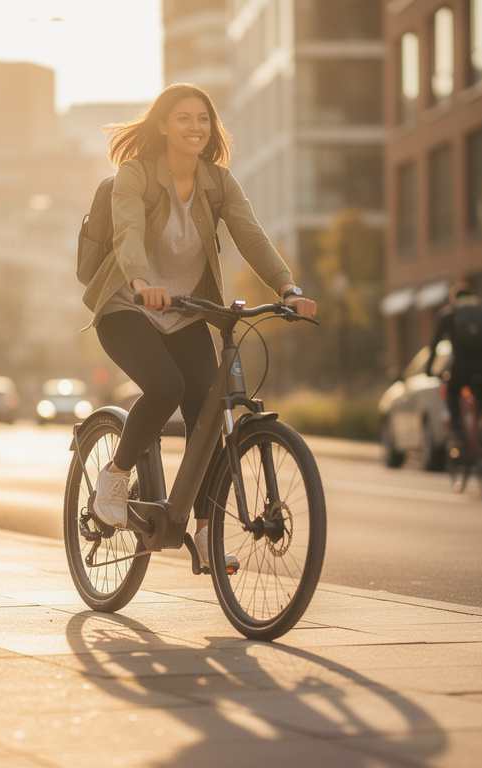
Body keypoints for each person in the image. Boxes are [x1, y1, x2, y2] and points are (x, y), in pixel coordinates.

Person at [80, 83, 316, 572]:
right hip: (128, 306)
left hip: (186, 311)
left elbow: (251, 235)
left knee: (208, 416)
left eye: (204, 119)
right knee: (165, 386)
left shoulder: (218, 182)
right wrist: (142, 280)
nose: (196, 127)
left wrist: (287, 289)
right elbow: (127, 229)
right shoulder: (136, 176)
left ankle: (207, 534)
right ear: (163, 125)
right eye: (184, 118)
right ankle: (115, 476)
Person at [425, 282, 482, 454]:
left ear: (455, 299)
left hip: (463, 367)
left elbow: (434, 344)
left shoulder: (450, 314)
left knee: (452, 393)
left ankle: (458, 432)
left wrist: (429, 368)